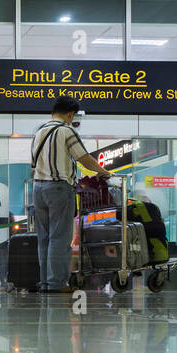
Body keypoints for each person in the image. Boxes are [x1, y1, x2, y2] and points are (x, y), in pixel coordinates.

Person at [29, 97, 112, 293]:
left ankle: (45, 283)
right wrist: (103, 172)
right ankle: (57, 284)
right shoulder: (66, 131)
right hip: (58, 188)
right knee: (60, 237)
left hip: (38, 188)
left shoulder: (38, 132)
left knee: (45, 238)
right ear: (70, 114)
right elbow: (83, 158)